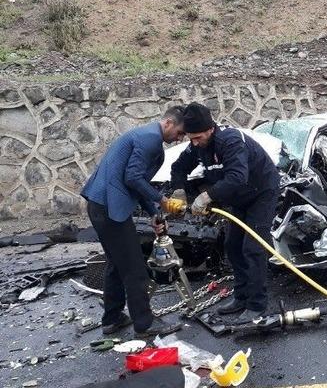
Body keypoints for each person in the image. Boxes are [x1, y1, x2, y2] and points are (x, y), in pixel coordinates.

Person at [80, 106, 186, 338]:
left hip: (99, 205)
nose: (179, 138)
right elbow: (133, 178)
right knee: (135, 268)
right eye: (179, 132)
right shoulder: (150, 140)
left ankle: (113, 318)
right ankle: (145, 325)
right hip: (109, 208)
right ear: (168, 123)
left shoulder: (145, 136)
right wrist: (162, 200)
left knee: (117, 265)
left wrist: (153, 212)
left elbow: (137, 183)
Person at [170, 102, 280, 323]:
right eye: (191, 138)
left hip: (261, 193)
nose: (194, 142)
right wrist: (179, 190)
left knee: (253, 248)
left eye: (197, 137)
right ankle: (241, 297)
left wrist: (206, 196)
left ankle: (256, 306)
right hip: (239, 199)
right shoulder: (198, 146)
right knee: (232, 245)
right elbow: (179, 167)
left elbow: (237, 177)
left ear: (210, 129)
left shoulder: (230, 141)